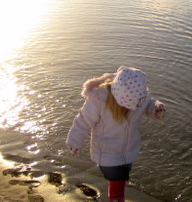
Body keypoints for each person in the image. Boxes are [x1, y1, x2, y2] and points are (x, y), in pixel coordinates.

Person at [66, 66, 166, 202]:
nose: (132, 107)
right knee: (117, 186)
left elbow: (147, 104)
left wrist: (156, 108)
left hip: (128, 151)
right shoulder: (99, 99)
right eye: (127, 104)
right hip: (107, 154)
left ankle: (120, 181)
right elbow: (83, 120)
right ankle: (117, 197)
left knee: (122, 177)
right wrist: (75, 141)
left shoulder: (139, 98)